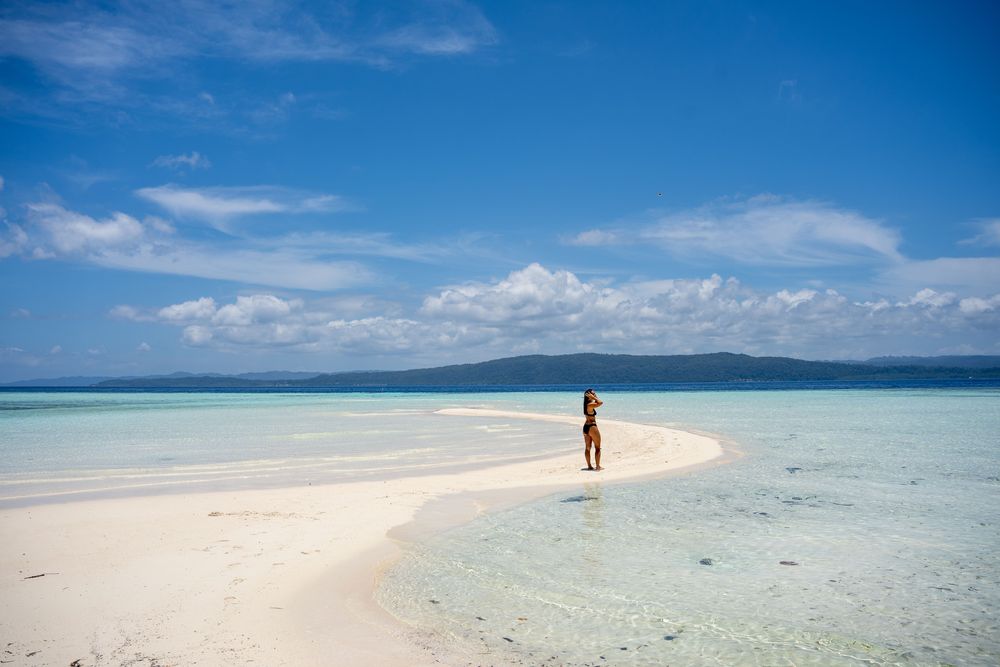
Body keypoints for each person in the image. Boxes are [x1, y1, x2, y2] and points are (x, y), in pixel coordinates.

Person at [582, 388, 603, 471]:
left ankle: (589, 466)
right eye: (593, 394)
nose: (594, 395)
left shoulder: (586, 404)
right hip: (592, 427)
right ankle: (597, 466)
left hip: (586, 427)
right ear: (589, 395)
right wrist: (594, 398)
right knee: (598, 447)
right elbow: (600, 402)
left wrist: (594, 397)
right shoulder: (590, 405)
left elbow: (598, 402)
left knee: (587, 447)